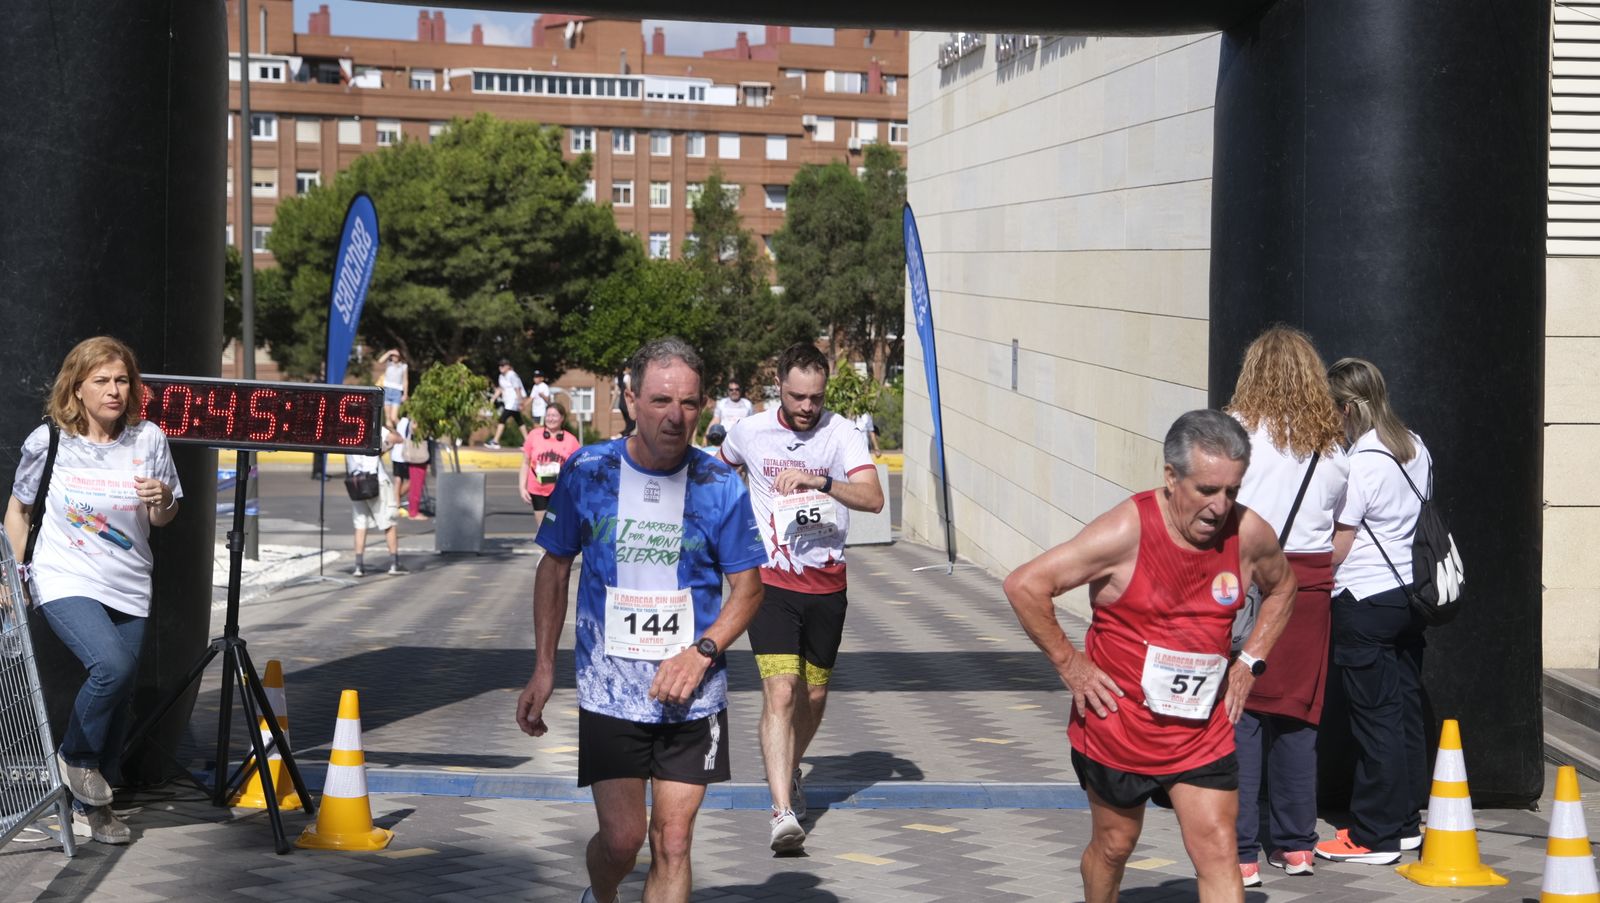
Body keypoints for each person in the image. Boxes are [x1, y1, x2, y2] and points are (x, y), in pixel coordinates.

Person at [1002, 409, 1296, 903]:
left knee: (1219, 851)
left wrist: (1250, 662)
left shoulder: (1248, 534)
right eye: (1207, 490)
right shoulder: (1125, 532)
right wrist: (1071, 665)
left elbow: (1284, 587)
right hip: (1119, 726)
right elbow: (1025, 585)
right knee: (1115, 846)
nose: (1220, 506)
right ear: (1171, 477)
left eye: (1232, 491)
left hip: (1201, 731)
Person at [515, 337, 766, 903]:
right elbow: (554, 568)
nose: (675, 416)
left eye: (689, 403)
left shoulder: (720, 485)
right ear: (630, 400)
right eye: (660, 401)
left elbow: (750, 589)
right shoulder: (589, 471)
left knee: (673, 842)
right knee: (623, 841)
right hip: (610, 692)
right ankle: (601, 896)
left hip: (693, 695)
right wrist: (543, 668)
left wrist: (702, 652)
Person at [2, 336, 183, 845]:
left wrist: (164, 498)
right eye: (101, 381)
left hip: (129, 580)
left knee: (120, 696)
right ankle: (76, 759)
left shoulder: (148, 440)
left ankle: (92, 809)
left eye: (122, 380)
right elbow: (19, 510)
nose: (114, 391)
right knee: (112, 665)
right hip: (63, 573)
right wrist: (8, 575)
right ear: (77, 387)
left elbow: (162, 518)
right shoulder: (50, 441)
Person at [717, 343, 885, 853]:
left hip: (827, 585)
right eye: (797, 397)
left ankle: (789, 769)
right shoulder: (750, 431)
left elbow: (874, 499)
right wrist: (727, 533)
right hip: (770, 582)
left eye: (816, 397)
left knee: (813, 696)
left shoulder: (842, 434)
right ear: (778, 385)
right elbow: (718, 473)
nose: (807, 407)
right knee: (782, 691)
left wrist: (820, 481)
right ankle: (781, 812)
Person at [1223, 327, 1350, 886]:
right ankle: (1297, 845)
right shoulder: (1332, 447)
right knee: (1299, 716)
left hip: (1247, 576)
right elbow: (1340, 527)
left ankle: (1240, 852)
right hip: (1310, 586)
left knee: (1241, 713)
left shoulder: (1235, 433)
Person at [1314, 358, 1433, 866]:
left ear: (1345, 408)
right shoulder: (1415, 446)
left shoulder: (1359, 462)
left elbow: (1340, 546)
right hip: (1410, 597)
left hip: (1364, 600)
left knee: (1374, 721)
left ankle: (1374, 836)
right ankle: (1404, 824)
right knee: (1403, 712)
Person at [346, 427, 409, 577]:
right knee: (389, 522)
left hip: (356, 482)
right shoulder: (373, 426)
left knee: (360, 524)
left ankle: (358, 566)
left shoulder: (347, 431)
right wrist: (388, 431)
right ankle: (394, 564)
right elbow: (397, 438)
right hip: (376, 480)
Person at [519, 401, 580, 533]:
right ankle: (545, 546)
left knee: (556, 525)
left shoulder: (571, 440)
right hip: (537, 489)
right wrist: (522, 487)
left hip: (560, 490)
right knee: (543, 527)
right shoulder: (534, 435)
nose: (550, 419)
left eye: (554, 415)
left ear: (562, 418)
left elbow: (577, 468)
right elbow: (525, 463)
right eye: (548, 415)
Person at [487, 359, 526, 449]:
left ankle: (495, 441)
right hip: (508, 402)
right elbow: (500, 389)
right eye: (500, 365)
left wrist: (520, 401)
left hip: (513, 401)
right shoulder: (501, 376)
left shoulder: (512, 375)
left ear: (508, 366)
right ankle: (527, 441)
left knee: (502, 419)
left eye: (503, 365)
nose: (501, 367)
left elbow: (517, 389)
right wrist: (493, 398)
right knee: (519, 421)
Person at [379, 349, 408, 424]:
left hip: (397, 392)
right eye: (393, 355)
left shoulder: (403, 366)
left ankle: (403, 429)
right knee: (388, 417)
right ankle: (392, 431)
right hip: (387, 390)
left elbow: (405, 380)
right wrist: (389, 352)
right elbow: (380, 361)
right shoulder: (389, 363)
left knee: (394, 417)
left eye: (396, 355)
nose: (395, 357)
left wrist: (405, 394)